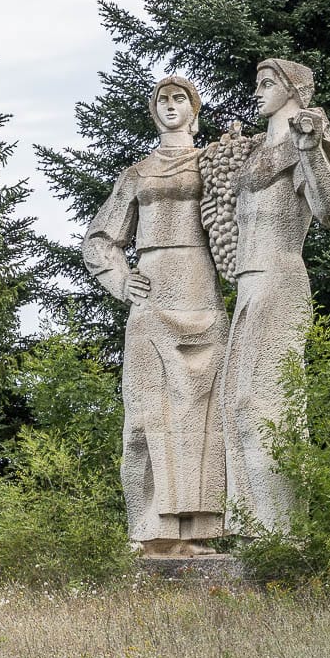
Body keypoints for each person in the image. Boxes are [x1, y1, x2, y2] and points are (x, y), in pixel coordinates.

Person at [82, 76, 228, 556]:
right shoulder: (138, 173)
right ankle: (152, 532)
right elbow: (100, 239)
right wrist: (121, 279)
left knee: (201, 414)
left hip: (200, 289)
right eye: (162, 99)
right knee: (148, 415)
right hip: (151, 294)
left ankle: (202, 531)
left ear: (194, 108)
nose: (170, 106)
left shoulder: (215, 163)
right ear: (152, 110)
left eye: (179, 98)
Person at [221, 58, 330, 535]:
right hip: (248, 285)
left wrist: (311, 149)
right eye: (257, 83)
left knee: (266, 404)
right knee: (237, 406)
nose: (258, 91)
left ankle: (284, 533)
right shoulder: (255, 152)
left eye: (267, 83)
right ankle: (253, 529)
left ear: (295, 89)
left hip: (280, 276)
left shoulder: (304, 140)